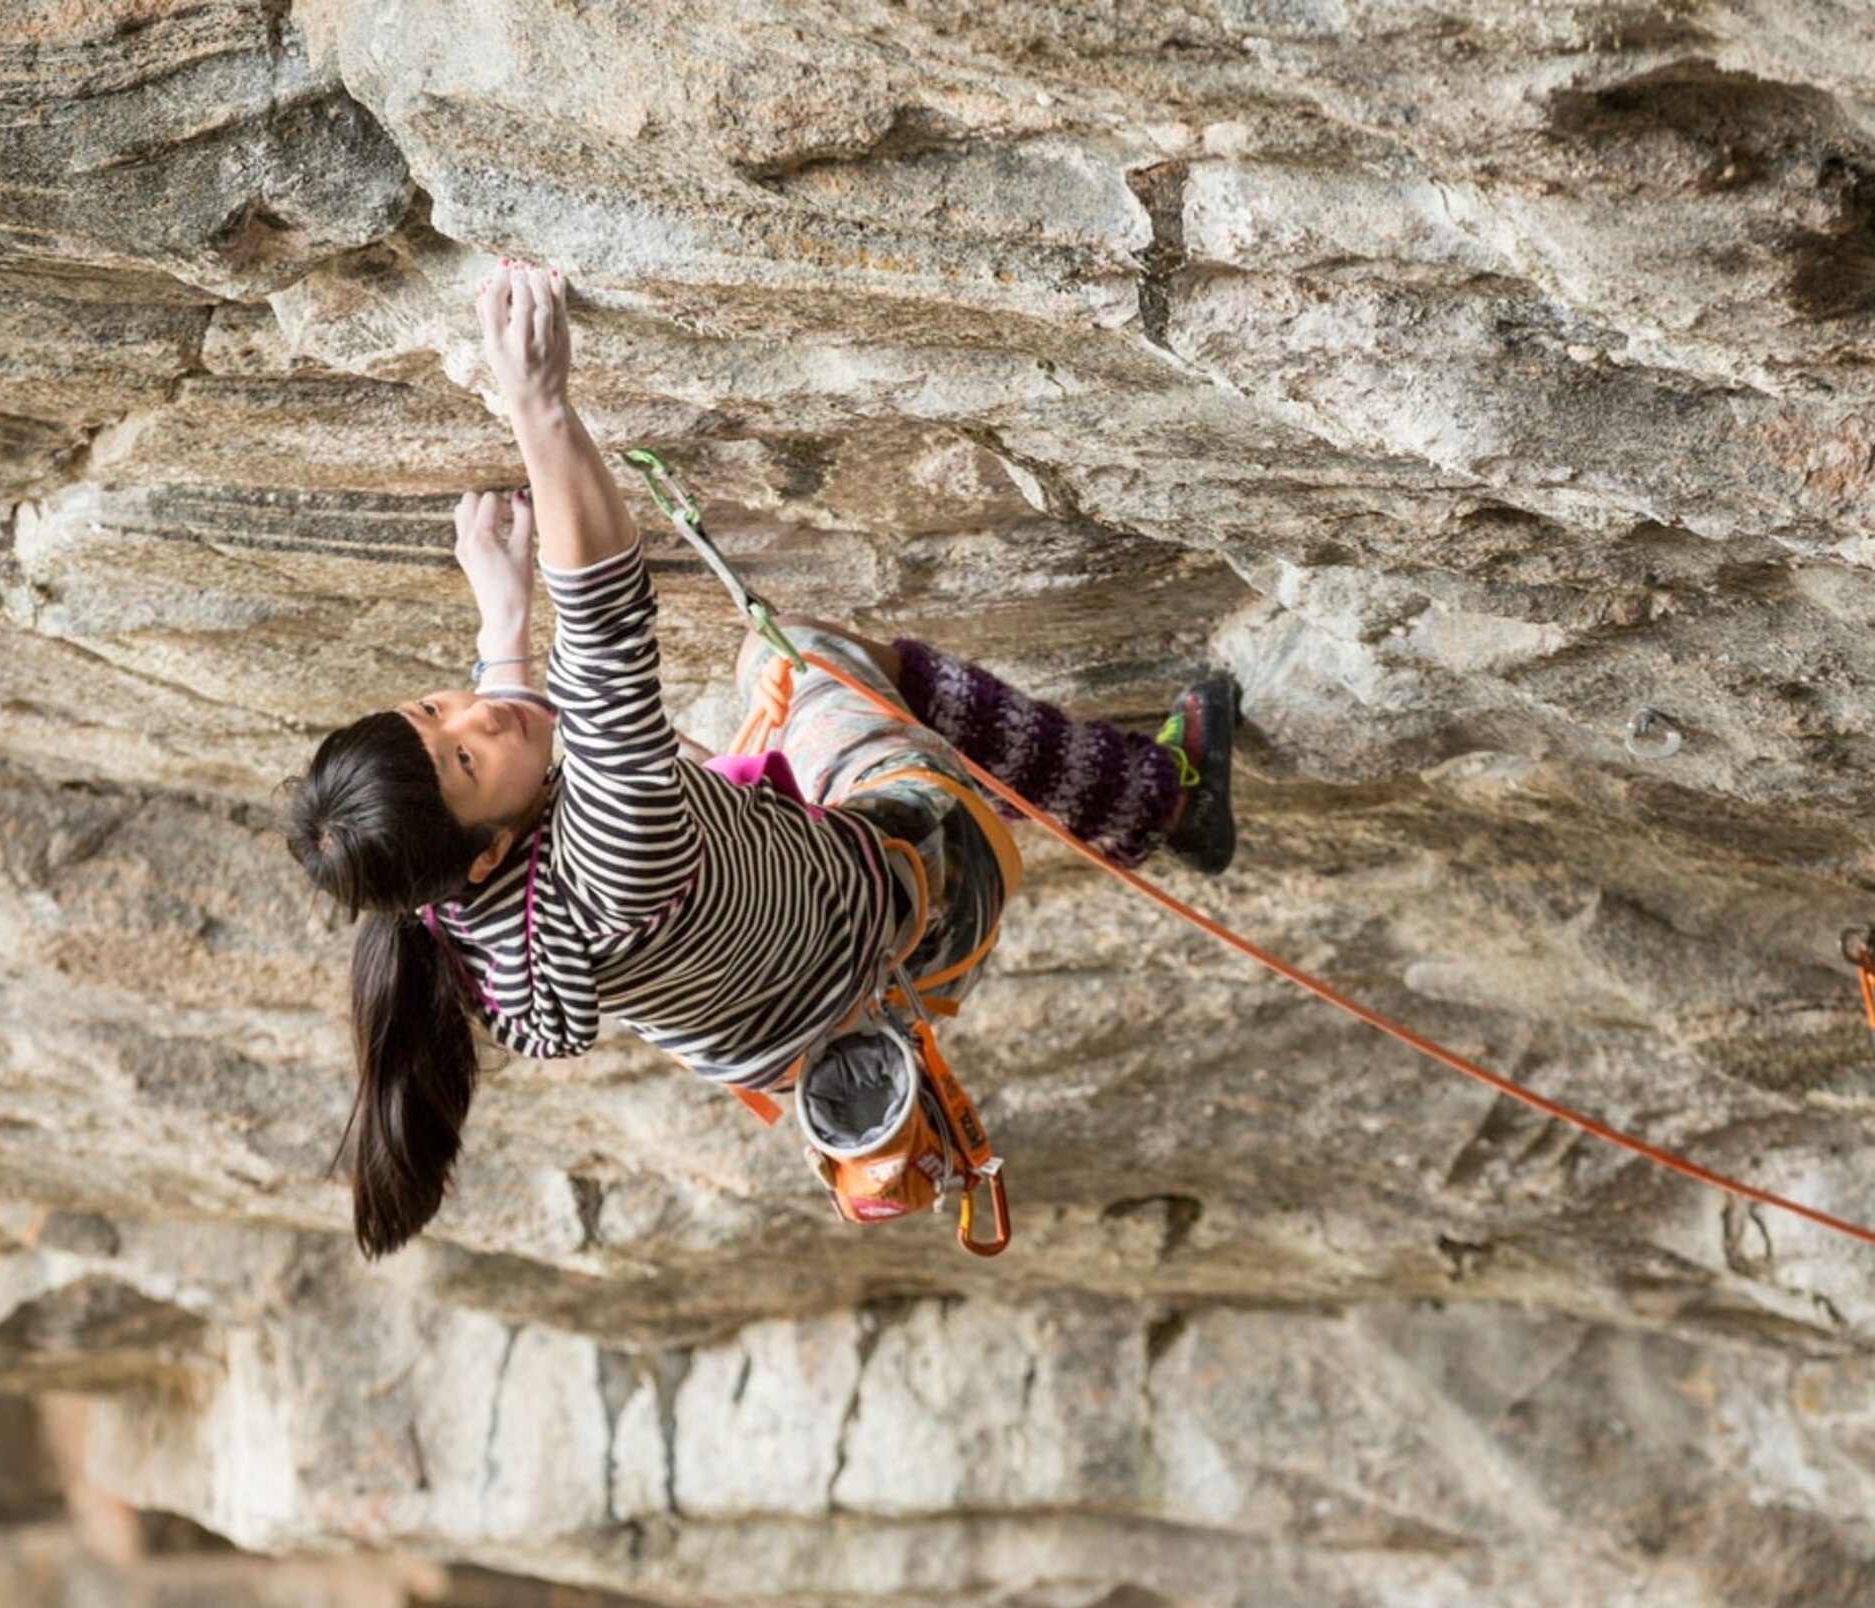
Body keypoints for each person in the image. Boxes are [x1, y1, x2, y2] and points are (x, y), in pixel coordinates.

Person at [283, 260, 1238, 1258]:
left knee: (741, 710)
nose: (477, 714)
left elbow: (516, 749)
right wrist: (540, 406)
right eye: (461, 759)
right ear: (477, 852)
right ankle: (1159, 805)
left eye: (437, 710)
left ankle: (1126, 807)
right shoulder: (612, 865)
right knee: (816, 658)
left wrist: (504, 621)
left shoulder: (447, 901)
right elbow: (605, 631)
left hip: (779, 966)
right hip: (914, 910)